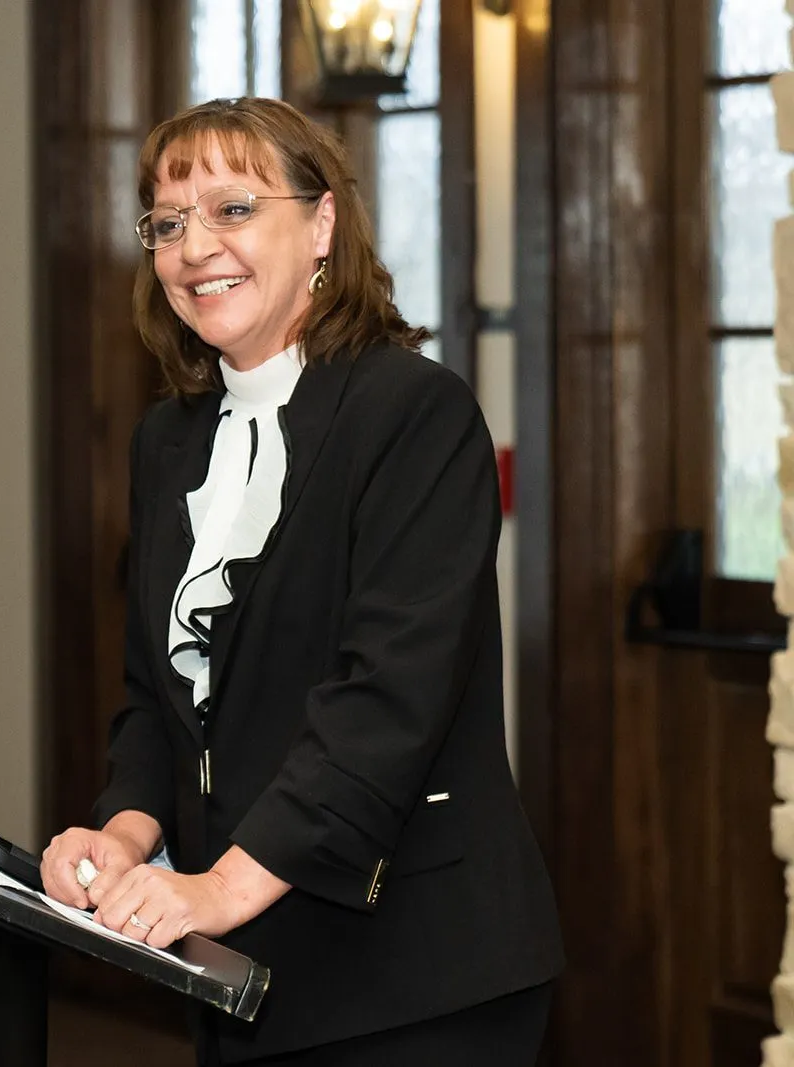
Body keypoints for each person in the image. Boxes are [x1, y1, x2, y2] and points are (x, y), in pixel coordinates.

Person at [39, 97, 564, 1066]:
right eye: (167, 222)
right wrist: (126, 833)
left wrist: (216, 889)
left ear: (321, 225)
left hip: (413, 973)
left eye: (233, 209)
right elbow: (158, 699)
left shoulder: (414, 413)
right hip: (237, 972)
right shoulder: (167, 440)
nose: (195, 247)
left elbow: (384, 703)